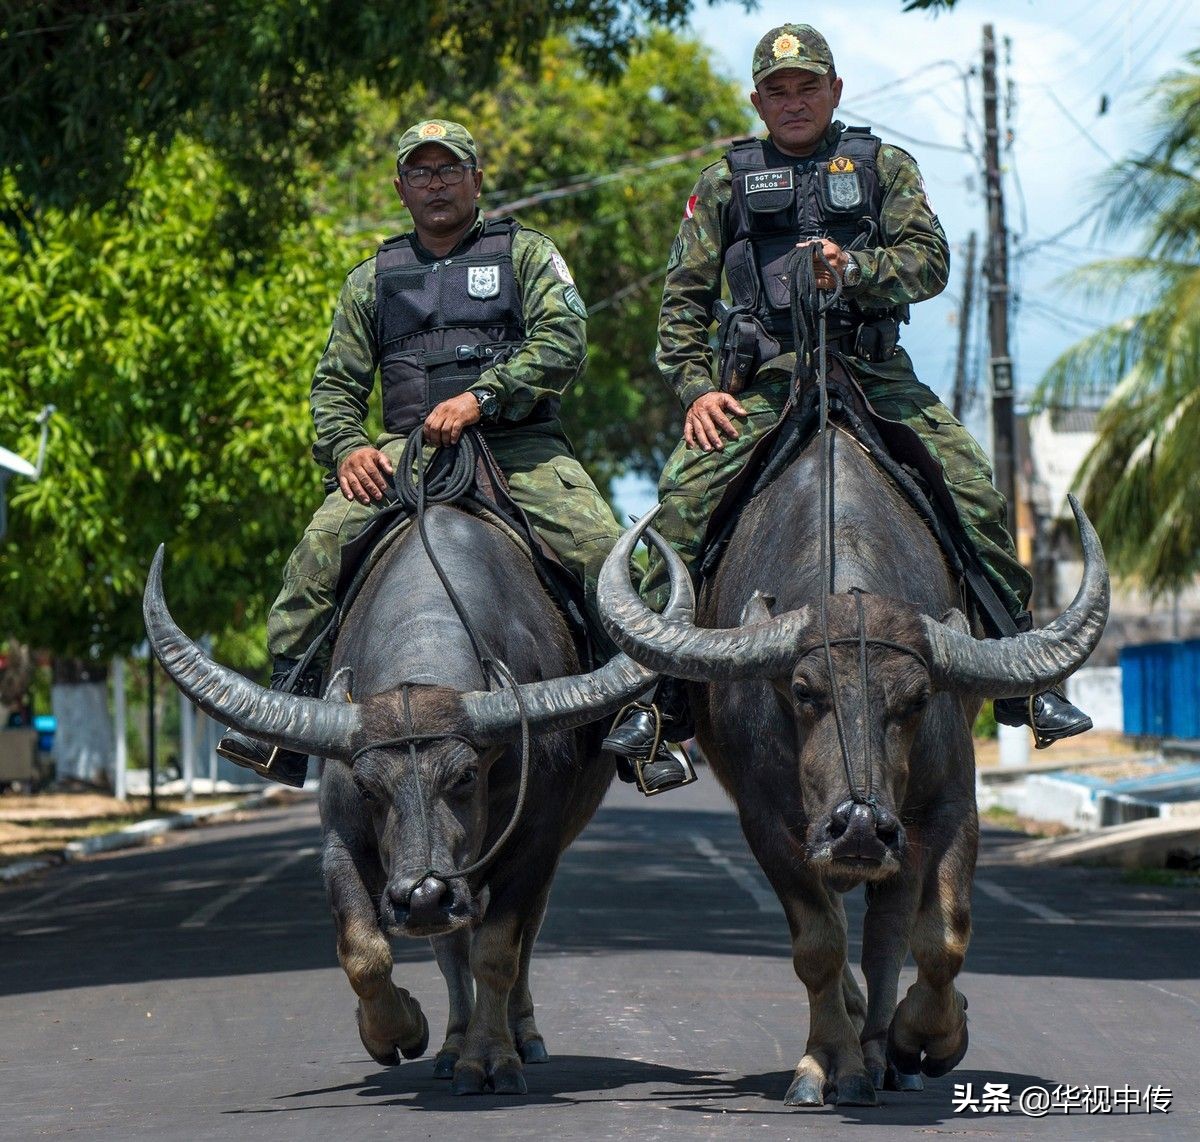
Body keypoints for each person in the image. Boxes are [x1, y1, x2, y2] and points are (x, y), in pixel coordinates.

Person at [602, 24, 1092, 770]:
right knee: (679, 510)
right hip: (765, 381)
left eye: (807, 88)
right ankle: (656, 700)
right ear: (758, 100)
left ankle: (1028, 679)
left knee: (975, 492)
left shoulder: (883, 166)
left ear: (835, 91)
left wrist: (853, 269)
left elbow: (930, 262)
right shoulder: (722, 182)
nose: (793, 102)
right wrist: (698, 392)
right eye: (778, 91)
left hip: (872, 371)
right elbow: (681, 307)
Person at [219, 119, 668, 790]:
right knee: (316, 553)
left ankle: (644, 715)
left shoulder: (525, 254)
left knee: (602, 551)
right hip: (407, 453)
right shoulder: (372, 277)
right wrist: (346, 448)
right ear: (401, 188)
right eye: (422, 173)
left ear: (476, 180)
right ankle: (287, 716)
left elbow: (562, 340)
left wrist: (483, 398)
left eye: (449, 170)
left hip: (518, 446)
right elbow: (336, 383)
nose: (436, 183)